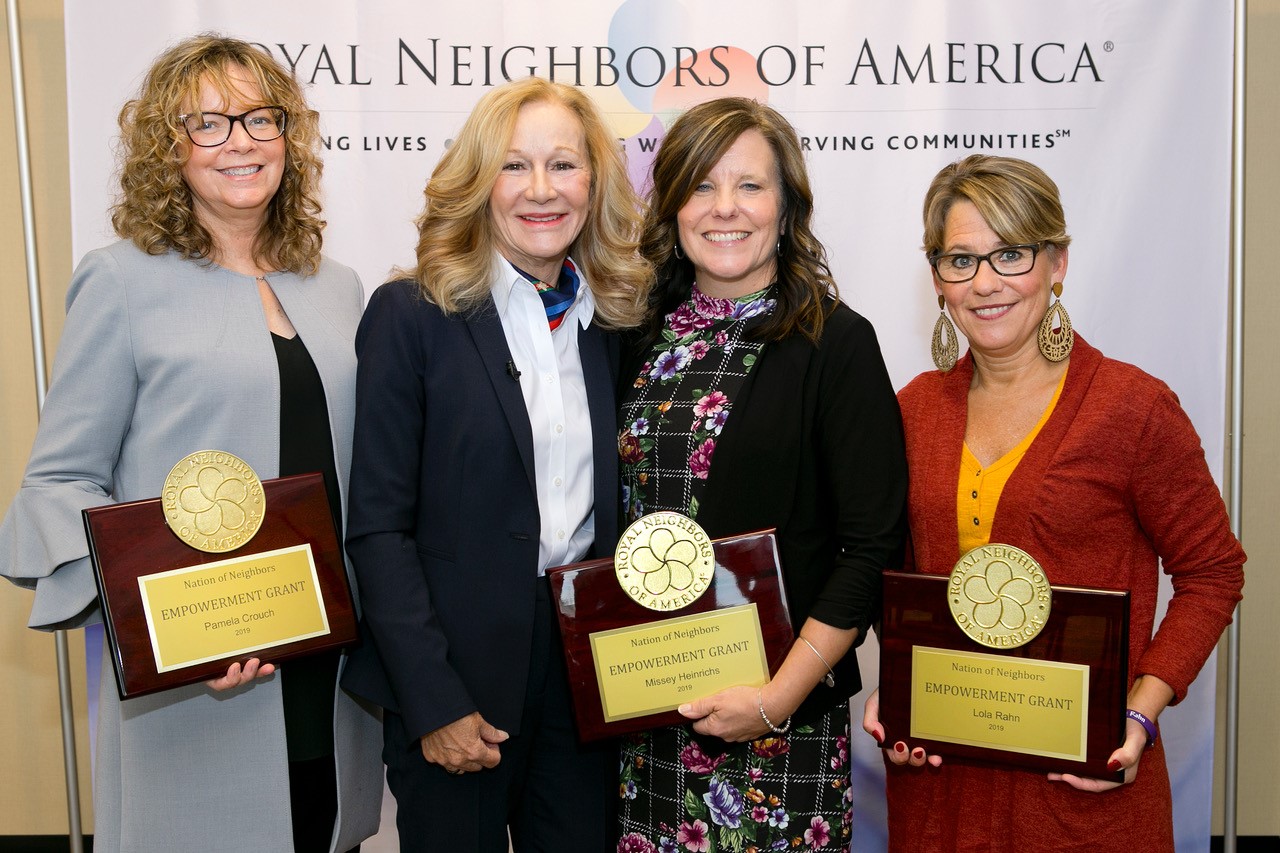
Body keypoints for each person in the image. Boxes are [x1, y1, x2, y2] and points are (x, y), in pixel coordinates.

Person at [0, 35, 382, 852]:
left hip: (332, 667)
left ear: (290, 135)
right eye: (206, 123)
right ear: (167, 149)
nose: (240, 140)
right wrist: (168, 626)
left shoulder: (338, 285)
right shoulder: (121, 280)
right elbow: (59, 482)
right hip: (201, 676)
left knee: (325, 829)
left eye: (258, 117)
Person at [861, 154, 1245, 851]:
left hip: (1082, 794)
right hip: (942, 789)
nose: (984, 283)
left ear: (1057, 261)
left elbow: (1214, 572)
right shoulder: (913, 409)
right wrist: (901, 686)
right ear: (937, 277)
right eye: (959, 260)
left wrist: (1140, 714)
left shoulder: (1133, 408)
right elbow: (900, 576)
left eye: (1010, 254)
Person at [340, 76, 650, 852]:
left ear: (595, 181)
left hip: (585, 683)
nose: (540, 191)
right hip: (456, 677)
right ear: (477, 181)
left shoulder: (611, 320)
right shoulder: (412, 314)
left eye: (563, 165)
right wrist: (432, 699)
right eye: (514, 167)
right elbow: (378, 527)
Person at [614, 97, 907, 853]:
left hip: (782, 733)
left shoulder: (835, 342)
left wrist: (774, 701)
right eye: (701, 186)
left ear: (786, 207)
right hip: (645, 726)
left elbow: (870, 546)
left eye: (750, 185)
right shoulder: (630, 336)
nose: (725, 209)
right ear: (672, 205)